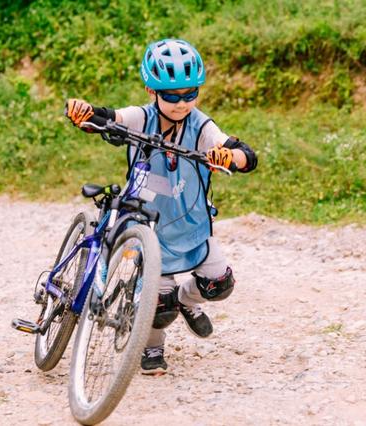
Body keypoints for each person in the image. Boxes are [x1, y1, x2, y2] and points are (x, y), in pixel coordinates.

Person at [64, 39, 257, 375]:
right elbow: (107, 117)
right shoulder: (141, 117)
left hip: (191, 221)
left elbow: (243, 153)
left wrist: (230, 156)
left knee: (219, 284)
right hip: (149, 224)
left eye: (189, 94)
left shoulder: (201, 125)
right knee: (158, 304)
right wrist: (85, 112)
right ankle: (152, 347)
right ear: (151, 91)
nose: (182, 103)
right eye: (171, 96)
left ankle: (187, 300)